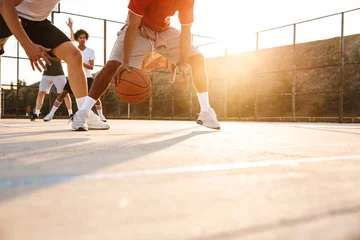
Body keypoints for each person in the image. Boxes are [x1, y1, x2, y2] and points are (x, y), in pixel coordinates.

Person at [73, 0, 221, 130]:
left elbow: (186, 31)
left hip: (164, 31)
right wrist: (125, 62)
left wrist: (182, 62)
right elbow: (132, 26)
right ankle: (83, 113)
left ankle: (206, 112)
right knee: (113, 66)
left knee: (198, 59)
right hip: (138, 29)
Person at [0, 0, 109, 130]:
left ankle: (83, 113)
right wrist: (27, 45)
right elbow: (6, 3)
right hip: (6, 13)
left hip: (37, 22)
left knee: (74, 55)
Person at [44, 18, 107, 122]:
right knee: (63, 94)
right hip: (74, 77)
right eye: (80, 37)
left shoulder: (90, 51)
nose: (82, 39)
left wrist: (79, 63)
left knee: (95, 97)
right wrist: (70, 27)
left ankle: (101, 116)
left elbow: (91, 67)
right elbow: (70, 40)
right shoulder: (73, 49)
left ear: (86, 39)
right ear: (77, 39)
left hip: (87, 77)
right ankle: (50, 114)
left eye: (84, 37)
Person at [31, 57, 73, 121]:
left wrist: (46, 54)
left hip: (59, 74)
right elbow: (38, 55)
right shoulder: (45, 48)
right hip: (46, 74)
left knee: (65, 94)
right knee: (41, 93)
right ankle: (36, 114)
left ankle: (70, 114)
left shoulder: (58, 48)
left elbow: (59, 59)